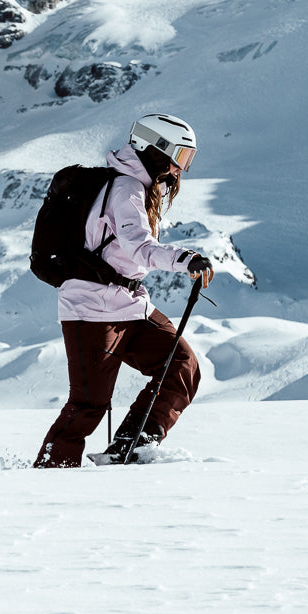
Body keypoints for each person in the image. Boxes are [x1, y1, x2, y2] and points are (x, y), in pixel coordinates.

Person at [34, 114, 214, 468]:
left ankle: (134, 445)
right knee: (89, 404)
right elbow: (139, 248)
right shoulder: (126, 188)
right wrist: (185, 260)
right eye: (181, 156)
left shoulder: (140, 188)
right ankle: (50, 472)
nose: (182, 168)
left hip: (129, 305)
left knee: (181, 365)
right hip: (91, 308)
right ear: (158, 147)